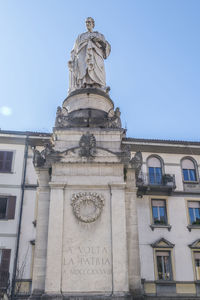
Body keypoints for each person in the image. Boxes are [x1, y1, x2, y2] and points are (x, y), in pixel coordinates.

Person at [68, 17, 111, 93]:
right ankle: (85, 85)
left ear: (93, 24)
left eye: (89, 22)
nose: (87, 24)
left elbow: (107, 47)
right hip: (82, 56)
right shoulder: (80, 36)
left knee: (96, 68)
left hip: (96, 55)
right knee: (84, 69)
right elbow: (74, 50)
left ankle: (97, 85)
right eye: (86, 22)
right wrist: (72, 59)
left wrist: (99, 41)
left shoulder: (99, 35)